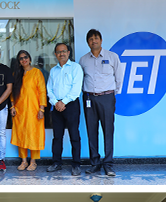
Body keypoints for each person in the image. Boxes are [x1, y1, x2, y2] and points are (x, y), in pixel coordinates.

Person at [80, 29, 121, 177]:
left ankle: (108, 164)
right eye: (91, 39)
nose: (94, 41)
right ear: (88, 42)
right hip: (89, 98)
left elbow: (119, 77)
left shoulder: (112, 57)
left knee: (108, 130)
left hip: (106, 97)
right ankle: (95, 164)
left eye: (96, 38)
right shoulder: (83, 60)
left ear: (101, 40)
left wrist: (112, 95)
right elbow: (81, 79)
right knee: (91, 131)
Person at [46, 42, 84, 176]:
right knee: (57, 136)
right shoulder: (53, 70)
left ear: (68, 53)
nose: (61, 54)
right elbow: (49, 89)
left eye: (64, 51)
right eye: (58, 52)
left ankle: (76, 164)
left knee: (74, 135)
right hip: (56, 106)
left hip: (71, 105)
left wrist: (63, 102)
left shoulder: (76, 68)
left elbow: (76, 89)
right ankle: (56, 163)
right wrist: (56, 102)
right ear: (55, 54)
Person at [10, 50, 47, 171]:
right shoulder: (16, 74)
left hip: (34, 110)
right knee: (21, 135)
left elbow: (42, 91)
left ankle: (33, 161)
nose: (24, 60)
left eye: (25, 57)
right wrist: (12, 106)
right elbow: (12, 92)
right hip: (20, 110)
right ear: (19, 62)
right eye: (21, 58)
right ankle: (24, 161)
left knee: (33, 135)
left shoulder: (37, 72)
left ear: (29, 59)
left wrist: (42, 108)